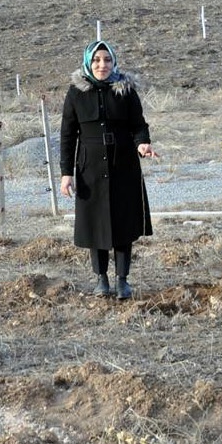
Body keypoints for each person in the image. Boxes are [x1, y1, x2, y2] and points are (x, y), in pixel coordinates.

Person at [60, 40, 156, 299]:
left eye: (107, 60)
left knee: (123, 222)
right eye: (97, 60)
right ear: (88, 62)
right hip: (89, 167)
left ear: (114, 62)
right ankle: (101, 279)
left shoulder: (125, 90)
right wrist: (66, 173)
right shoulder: (75, 93)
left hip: (123, 163)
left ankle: (122, 280)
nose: (102, 65)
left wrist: (143, 144)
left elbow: (139, 125)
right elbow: (68, 136)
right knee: (96, 223)